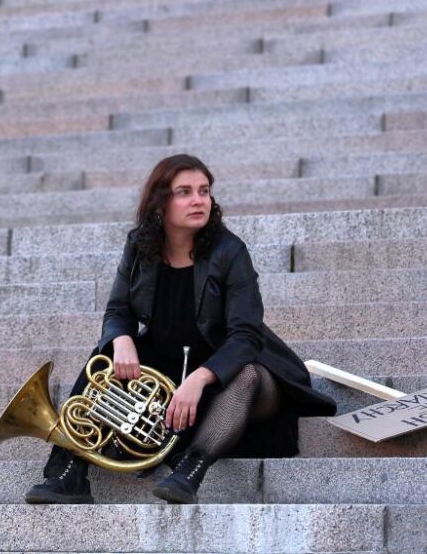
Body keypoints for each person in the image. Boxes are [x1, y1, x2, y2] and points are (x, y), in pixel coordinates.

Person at [25, 154, 337, 505]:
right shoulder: (140, 245)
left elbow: (246, 336)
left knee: (249, 375)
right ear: (161, 202)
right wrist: (122, 339)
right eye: (184, 192)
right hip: (169, 367)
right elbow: (118, 309)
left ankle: (189, 472)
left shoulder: (230, 251)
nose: (198, 200)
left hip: (231, 373)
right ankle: (68, 472)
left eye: (204, 191)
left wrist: (200, 379)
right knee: (104, 357)